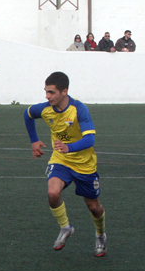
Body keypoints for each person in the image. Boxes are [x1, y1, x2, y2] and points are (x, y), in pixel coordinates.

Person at [24, 71, 107, 256]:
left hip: (84, 164)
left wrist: (69, 147)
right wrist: (34, 140)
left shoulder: (79, 109)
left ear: (64, 91)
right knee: (53, 193)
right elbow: (27, 114)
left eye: (51, 92)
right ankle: (65, 227)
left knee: (93, 207)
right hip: (61, 160)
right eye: (46, 91)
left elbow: (90, 140)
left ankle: (100, 235)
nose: (47, 96)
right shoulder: (44, 109)